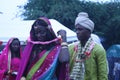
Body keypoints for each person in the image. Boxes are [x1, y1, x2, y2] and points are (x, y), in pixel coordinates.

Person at [69, 12, 108, 80]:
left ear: (89, 31)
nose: (77, 32)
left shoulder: (98, 50)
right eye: (76, 29)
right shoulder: (71, 48)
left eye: (80, 29)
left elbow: (103, 76)